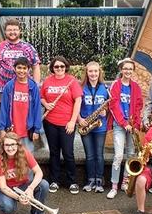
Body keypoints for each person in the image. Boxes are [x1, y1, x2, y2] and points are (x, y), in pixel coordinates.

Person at [40, 56, 82, 194]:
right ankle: (54, 180)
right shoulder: (47, 81)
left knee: (68, 153)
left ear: (66, 67)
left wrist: (72, 121)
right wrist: (46, 104)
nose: (59, 69)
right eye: (56, 66)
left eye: (62, 66)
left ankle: (72, 181)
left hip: (67, 123)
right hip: (50, 122)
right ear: (52, 68)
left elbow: (78, 101)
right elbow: (42, 97)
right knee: (54, 152)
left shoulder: (72, 81)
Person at [0, 132, 50, 214]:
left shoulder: (24, 152)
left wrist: (30, 188)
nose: (10, 148)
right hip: (7, 188)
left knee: (44, 184)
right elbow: (3, 186)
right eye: (7, 145)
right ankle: (7, 211)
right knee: (8, 207)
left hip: (23, 185)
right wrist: (19, 198)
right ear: (3, 146)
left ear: (17, 145)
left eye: (12, 144)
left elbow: (39, 172)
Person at [107, 58, 144, 199]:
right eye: (125, 68)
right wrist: (124, 123)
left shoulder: (136, 87)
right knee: (118, 155)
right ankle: (114, 186)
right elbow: (113, 106)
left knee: (131, 154)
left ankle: (125, 182)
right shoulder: (115, 85)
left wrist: (136, 124)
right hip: (120, 125)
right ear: (121, 70)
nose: (128, 71)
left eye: (130, 68)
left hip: (132, 125)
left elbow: (139, 106)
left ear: (133, 70)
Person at [0, 57, 43, 152]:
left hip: (27, 129)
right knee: (12, 158)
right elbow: (4, 109)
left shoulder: (33, 87)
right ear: (14, 69)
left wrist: (37, 129)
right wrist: (2, 128)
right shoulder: (9, 86)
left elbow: (37, 109)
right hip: (12, 129)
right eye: (19, 68)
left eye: (24, 68)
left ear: (28, 69)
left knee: (28, 157)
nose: (21, 71)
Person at [78, 61, 110, 193]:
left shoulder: (105, 88)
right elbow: (76, 106)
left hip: (100, 126)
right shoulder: (81, 87)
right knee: (89, 155)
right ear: (87, 72)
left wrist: (105, 111)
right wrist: (80, 119)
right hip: (85, 124)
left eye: (95, 71)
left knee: (99, 155)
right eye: (90, 71)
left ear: (99, 72)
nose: (93, 74)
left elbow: (109, 106)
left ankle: (99, 180)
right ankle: (90, 180)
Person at [0, 18, 42, 92]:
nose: (12, 32)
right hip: (2, 90)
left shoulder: (28, 47)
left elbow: (35, 67)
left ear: (20, 31)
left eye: (15, 30)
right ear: (5, 32)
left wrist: (36, 87)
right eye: (9, 30)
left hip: (24, 90)